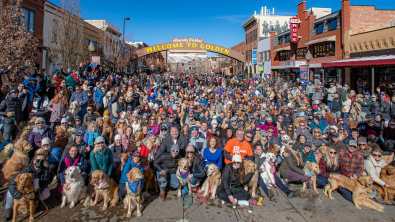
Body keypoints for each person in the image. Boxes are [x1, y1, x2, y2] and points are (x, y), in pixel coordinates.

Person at [4, 153, 51, 221]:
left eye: (42, 160)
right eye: (38, 160)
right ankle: (9, 209)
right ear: (34, 161)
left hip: (33, 189)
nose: (39, 162)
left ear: (44, 162)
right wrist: (19, 196)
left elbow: (45, 182)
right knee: (9, 193)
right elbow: (12, 184)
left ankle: (37, 202)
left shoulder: (45, 170)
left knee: (46, 192)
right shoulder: (27, 169)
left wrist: (39, 189)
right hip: (22, 190)